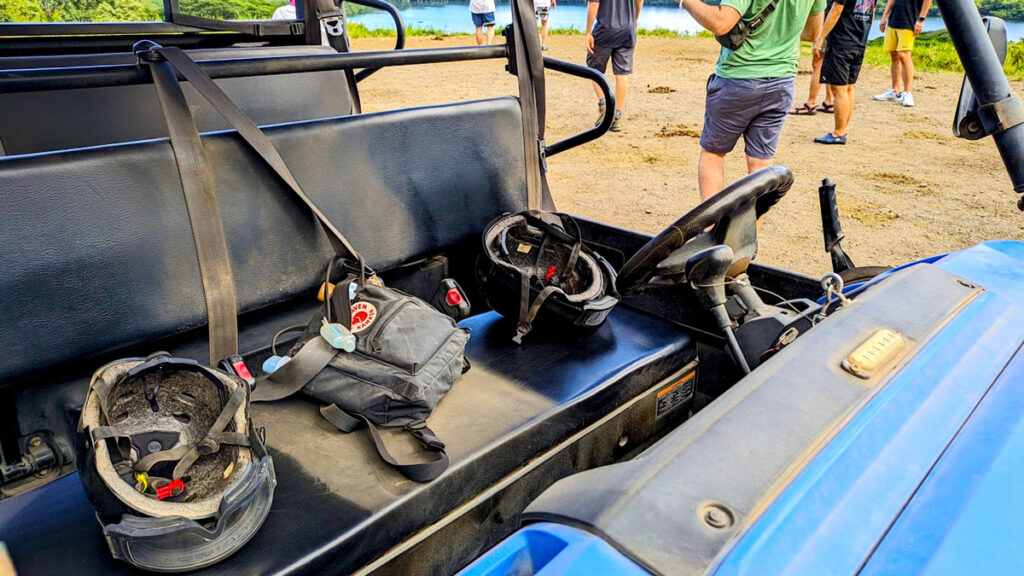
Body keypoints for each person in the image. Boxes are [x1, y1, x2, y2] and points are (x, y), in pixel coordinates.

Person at [680, 0, 825, 199]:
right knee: (762, 165)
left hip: (738, 77)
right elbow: (811, 33)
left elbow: (721, 23)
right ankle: (750, 230)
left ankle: (711, 228)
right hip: (782, 80)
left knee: (713, 154)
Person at [813, 0, 877, 145]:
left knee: (839, 90)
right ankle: (842, 129)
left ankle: (838, 133)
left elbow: (836, 10)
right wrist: (864, 37)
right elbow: (871, 13)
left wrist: (820, 38)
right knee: (849, 87)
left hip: (841, 42)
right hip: (859, 42)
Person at [586, 0, 643, 133]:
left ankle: (604, 106)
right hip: (627, 30)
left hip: (605, 30)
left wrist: (588, 31)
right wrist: (634, 20)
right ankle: (616, 114)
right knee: (622, 74)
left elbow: (594, 4)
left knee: (594, 69)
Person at [874, 0, 931, 106]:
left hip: (909, 21)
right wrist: (884, 17)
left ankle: (907, 93)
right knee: (894, 54)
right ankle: (895, 91)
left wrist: (921, 20)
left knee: (904, 55)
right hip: (893, 20)